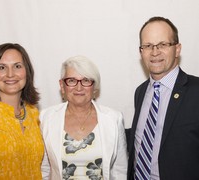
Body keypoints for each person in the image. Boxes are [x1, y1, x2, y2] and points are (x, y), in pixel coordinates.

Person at [127, 16, 199, 180]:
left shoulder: (196, 91)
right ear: (141, 52)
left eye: (163, 44)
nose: (154, 52)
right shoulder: (140, 92)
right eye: (148, 46)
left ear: (177, 49)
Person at [40, 55, 128, 179]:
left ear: (94, 86)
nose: (79, 87)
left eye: (86, 80)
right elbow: (44, 169)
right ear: (62, 86)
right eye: (71, 80)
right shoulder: (46, 118)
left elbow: (120, 170)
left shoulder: (114, 119)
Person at [0, 43, 44, 179]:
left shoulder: (33, 113)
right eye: (2, 67)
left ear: (27, 73)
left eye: (17, 66)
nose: (10, 74)